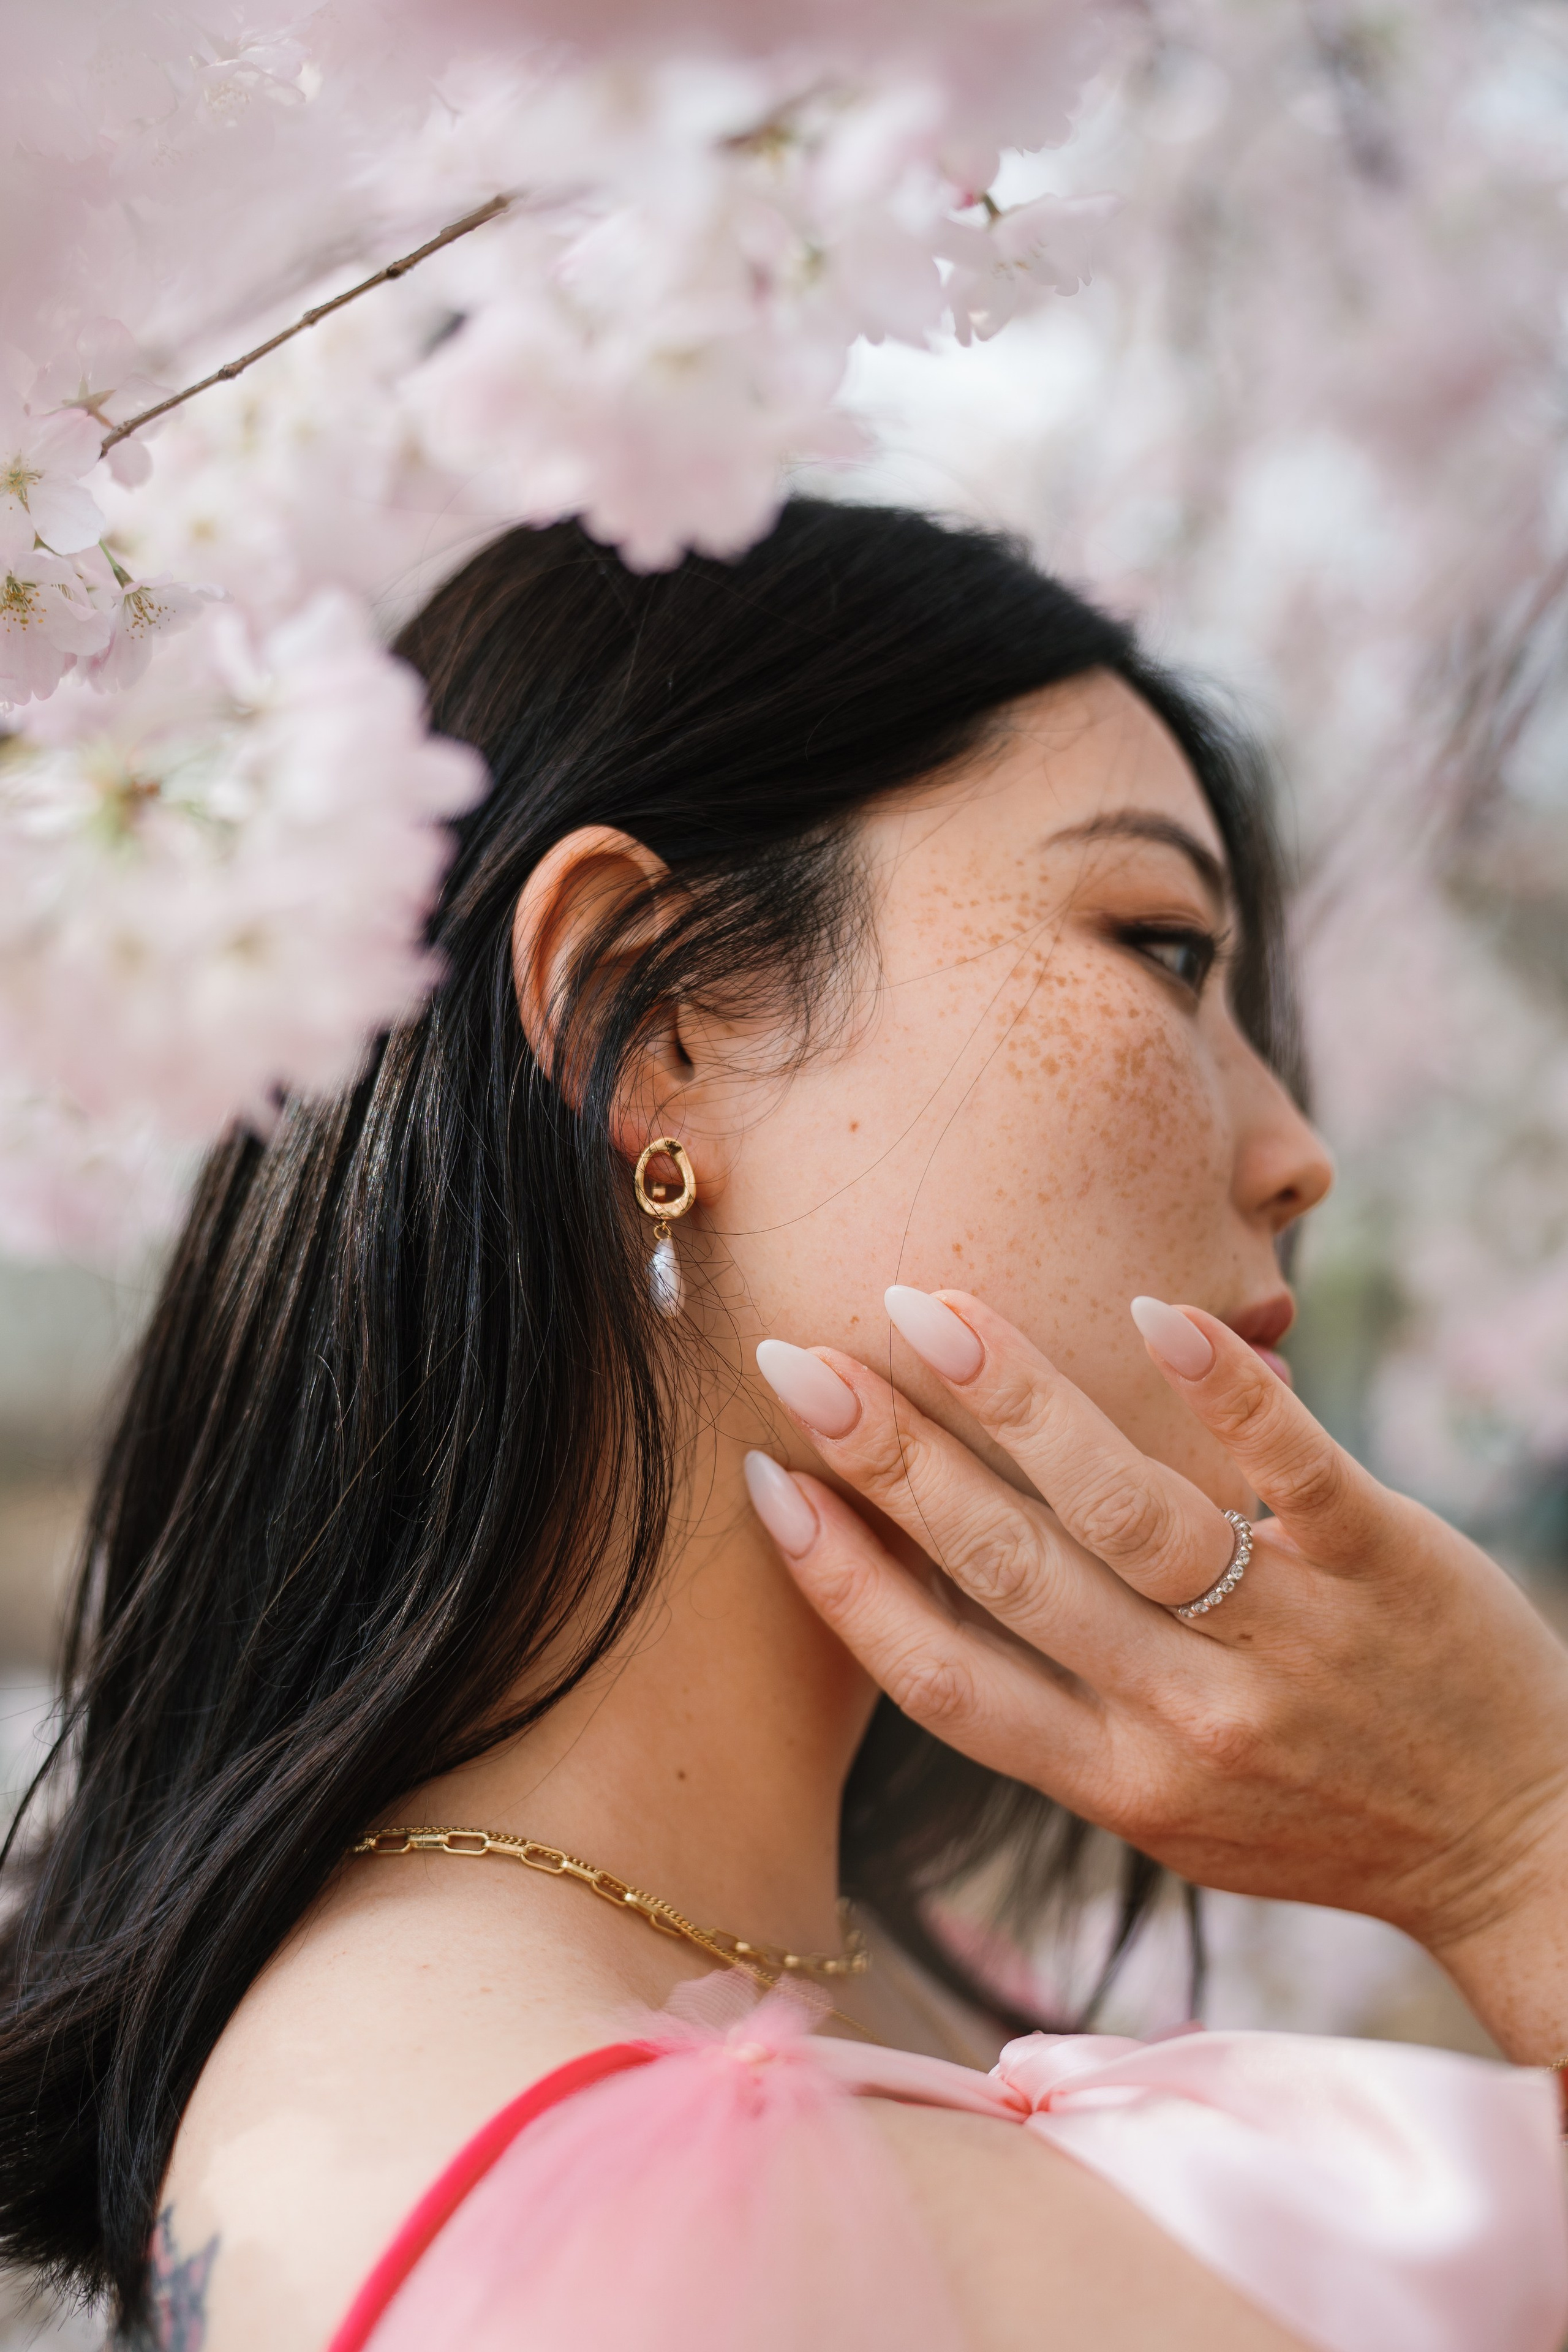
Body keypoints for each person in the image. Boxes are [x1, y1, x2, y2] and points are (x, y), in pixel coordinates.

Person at [1, 502, 1566, 2352]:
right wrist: (1516, 1845)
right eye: (1156, 945)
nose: (1295, 1150)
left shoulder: (817, 1990)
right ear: (644, 1020)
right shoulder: (580, 2210)